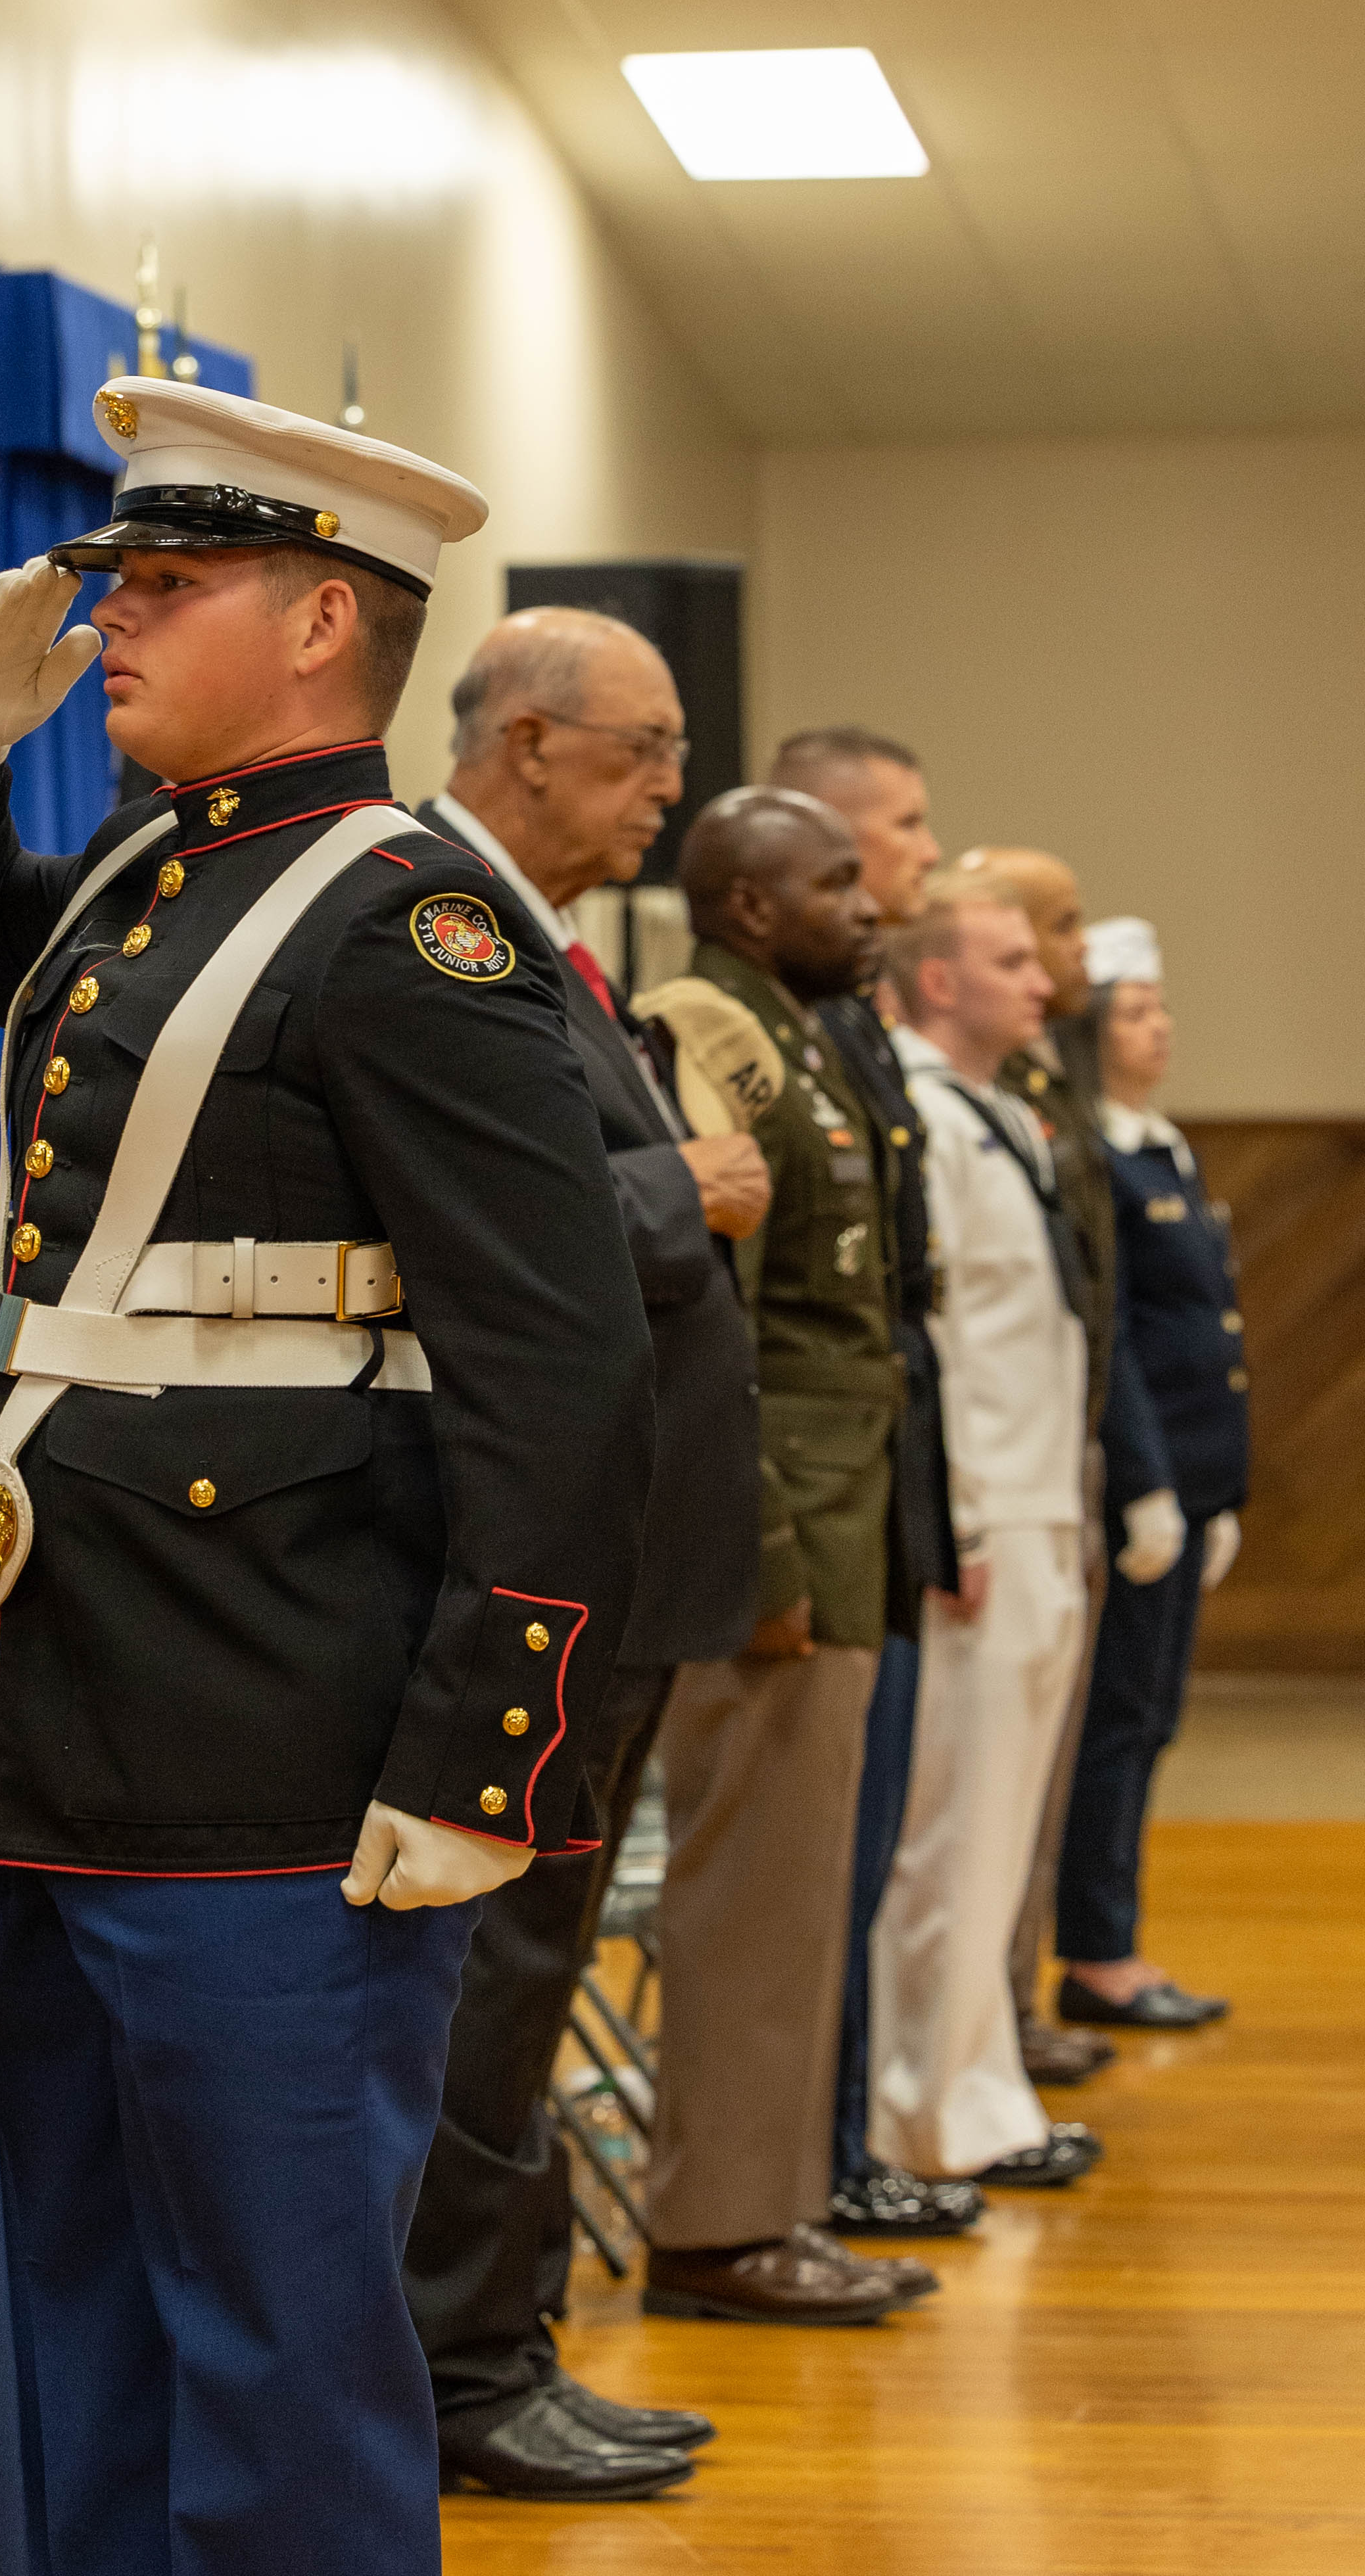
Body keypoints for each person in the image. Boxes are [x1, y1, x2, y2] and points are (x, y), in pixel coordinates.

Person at [0, 377, 654, 2576]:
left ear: (319, 624)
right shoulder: (158, 863)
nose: (108, 619)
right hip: (52, 1707)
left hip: (280, 1740)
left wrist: (487, 1750)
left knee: (281, 2350)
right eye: (114, 580)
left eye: (168, 585)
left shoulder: (409, 926)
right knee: (83, 2307)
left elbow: (561, 1371)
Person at [405, 608, 765, 2500]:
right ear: (530, 740)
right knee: (498, 1974)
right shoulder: (431, 919)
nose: (671, 790)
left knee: (528, 1978)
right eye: (646, 749)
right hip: (529, 1553)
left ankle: (509, 2338)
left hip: (617, 1555)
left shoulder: (544, 933)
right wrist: (671, 1189)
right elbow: (460, 1218)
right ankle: (463, 2370)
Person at [635, 789, 924, 2327]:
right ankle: (719, 2226)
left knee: (802, 1890)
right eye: (835, 883)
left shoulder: (800, 1034)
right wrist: (760, 1549)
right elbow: (713, 1325)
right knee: (749, 1889)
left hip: (843, 1505)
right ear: (750, 906)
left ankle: (778, 2200)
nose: (868, 908)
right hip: (779, 1523)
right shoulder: (708, 1031)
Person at [767, 730, 980, 2246]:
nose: (917, 855)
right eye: (896, 829)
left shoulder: (845, 1023)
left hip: (882, 1501)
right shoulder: (779, 1026)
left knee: (862, 1852)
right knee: (813, 1877)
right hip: (820, 1508)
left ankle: (841, 2148)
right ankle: (815, 2162)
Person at [872, 876, 1103, 2190]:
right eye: (1011, 959)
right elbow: (934, 1337)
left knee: (1001, 1828)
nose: (1042, 981)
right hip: (982, 1519)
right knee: (952, 1834)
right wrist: (952, 1516)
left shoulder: (997, 1111)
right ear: (938, 979)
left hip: (1038, 1500)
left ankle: (981, 2082)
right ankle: (929, 2107)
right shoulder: (925, 1118)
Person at [1053, 918, 1247, 2029]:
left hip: (1192, 1480)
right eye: (1134, 1012)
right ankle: (1097, 1951)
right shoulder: (1097, 1156)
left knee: (1149, 1718)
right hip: (1142, 1481)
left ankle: (1110, 1940)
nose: (1159, 1028)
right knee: (1117, 1721)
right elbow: (1116, 1333)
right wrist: (1146, 1484)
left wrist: (1218, 1494)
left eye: (1160, 1008)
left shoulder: (1160, 1145)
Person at [953, 843, 1118, 2090]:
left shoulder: (1041, 1087)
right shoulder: (969, 1101)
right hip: (992, 1486)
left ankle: (1002, 2027)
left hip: (1058, 1459)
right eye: (1043, 936)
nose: (1065, 964)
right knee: (972, 1807)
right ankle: (978, 2045)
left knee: (1033, 1785)